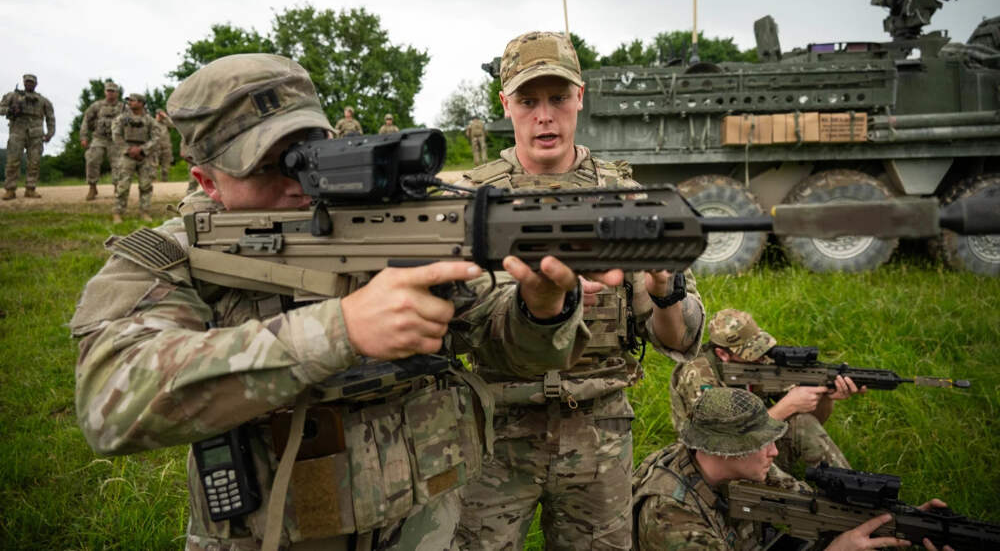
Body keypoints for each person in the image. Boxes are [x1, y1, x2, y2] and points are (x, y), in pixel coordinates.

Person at [71, 53, 597, 551]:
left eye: (310, 156)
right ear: (207, 180)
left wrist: (540, 307)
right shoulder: (172, 256)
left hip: (424, 527)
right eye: (269, 167)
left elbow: (515, 349)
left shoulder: (386, 225)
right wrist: (341, 328)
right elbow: (109, 403)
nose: (300, 185)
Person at [455, 31, 706, 550]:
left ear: (580, 98)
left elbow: (679, 340)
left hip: (598, 435)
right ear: (505, 104)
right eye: (528, 101)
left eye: (558, 98)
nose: (544, 116)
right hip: (494, 432)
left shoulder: (626, 197)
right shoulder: (471, 201)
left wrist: (664, 289)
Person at [633, 387, 950, 551]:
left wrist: (900, 522)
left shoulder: (741, 468)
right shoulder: (669, 517)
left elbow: (812, 505)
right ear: (725, 449)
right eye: (761, 443)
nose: (774, 451)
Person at [671, 309, 861, 474]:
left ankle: (848, 487)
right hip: (713, 462)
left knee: (804, 423)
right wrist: (787, 406)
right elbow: (722, 442)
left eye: (760, 349)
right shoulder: (698, 376)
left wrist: (825, 395)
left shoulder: (760, 363)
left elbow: (813, 419)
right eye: (751, 354)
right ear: (723, 354)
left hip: (758, 447)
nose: (761, 358)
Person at [1, 73, 55, 200]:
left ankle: (31, 189)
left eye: (32, 82)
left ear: (36, 84)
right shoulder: (13, 96)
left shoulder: (43, 101)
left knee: (34, 162)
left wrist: (50, 133)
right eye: (27, 82)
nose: (29, 84)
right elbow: (1, 108)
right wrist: (10, 110)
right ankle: (10, 189)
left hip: (36, 135)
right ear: (24, 83)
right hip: (17, 132)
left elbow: (51, 118)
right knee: (13, 161)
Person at [110, 93, 157, 223]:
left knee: (146, 185)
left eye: (133, 100)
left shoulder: (149, 120)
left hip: (144, 156)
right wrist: (128, 149)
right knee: (123, 185)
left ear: (141, 103)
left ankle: (145, 212)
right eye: (129, 100)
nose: (129, 102)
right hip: (127, 155)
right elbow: (116, 135)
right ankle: (118, 213)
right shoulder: (122, 118)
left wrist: (142, 149)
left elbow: (156, 138)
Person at [80, 81, 126, 200]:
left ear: (117, 93)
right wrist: (84, 136)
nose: (110, 93)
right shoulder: (97, 106)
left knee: (118, 163)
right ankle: (92, 187)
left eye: (113, 91)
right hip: (99, 137)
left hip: (116, 139)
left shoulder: (123, 107)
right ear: (105, 92)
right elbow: (86, 120)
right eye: (108, 91)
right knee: (92, 159)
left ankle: (117, 187)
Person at [154, 109, 174, 181]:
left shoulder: (166, 123)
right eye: (158, 115)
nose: (159, 117)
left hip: (166, 147)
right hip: (155, 148)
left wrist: (165, 116)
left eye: (160, 115)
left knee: (165, 167)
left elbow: (173, 125)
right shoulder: (152, 122)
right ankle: (154, 181)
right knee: (154, 166)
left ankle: (164, 182)